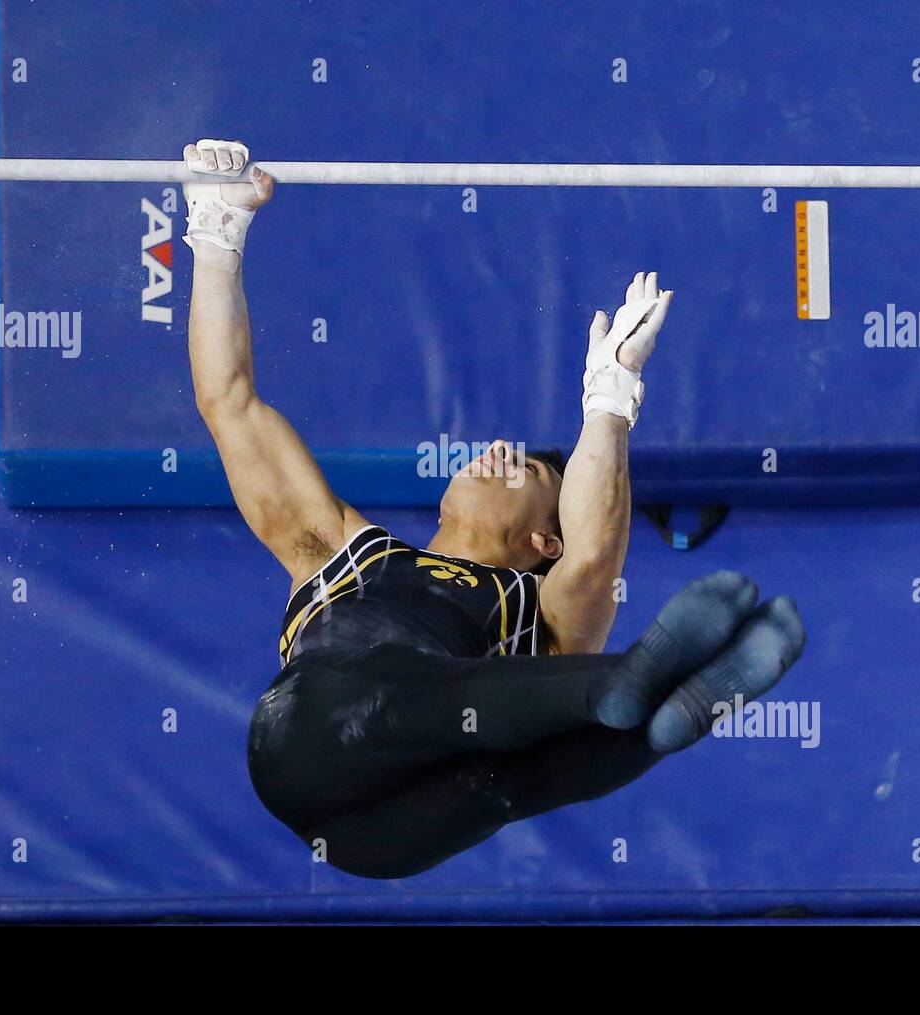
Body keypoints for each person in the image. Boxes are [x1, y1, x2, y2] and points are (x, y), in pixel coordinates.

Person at [182, 139, 805, 878]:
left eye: (529, 469)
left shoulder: (537, 615)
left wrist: (607, 404)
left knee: (496, 767)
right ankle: (668, 712)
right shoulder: (333, 547)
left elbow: (596, 552)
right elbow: (231, 403)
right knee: (504, 760)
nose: (500, 450)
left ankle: (637, 689)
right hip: (325, 732)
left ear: (545, 537)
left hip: (356, 823)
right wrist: (216, 234)